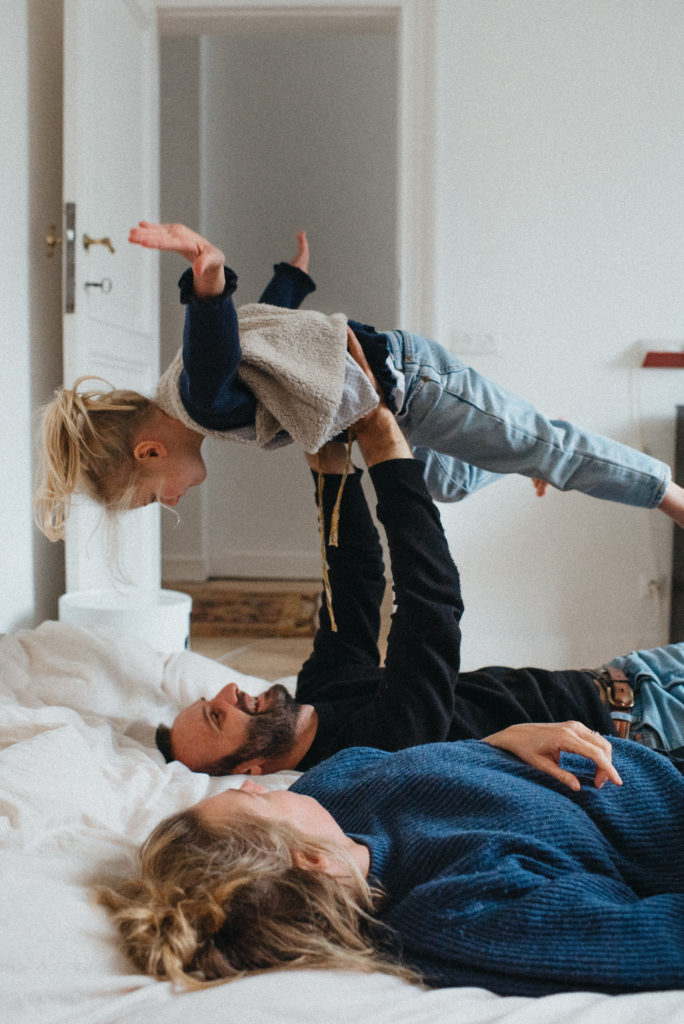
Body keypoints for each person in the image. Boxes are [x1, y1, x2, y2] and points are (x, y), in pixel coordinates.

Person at [155, 362, 684, 777]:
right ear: (252, 768)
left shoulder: (321, 692)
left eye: (211, 701)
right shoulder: (379, 750)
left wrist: (328, 465)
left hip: (630, 673)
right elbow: (430, 607)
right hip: (646, 729)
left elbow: (354, 581)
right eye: (218, 717)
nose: (228, 694)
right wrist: (385, 446)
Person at [34, 220, 684, 541]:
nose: (170, 504)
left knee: (543, 445)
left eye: (153, 499)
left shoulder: (198, 396)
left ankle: (665, 493)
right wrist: (290, 276)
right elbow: (267, 331)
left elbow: (217, 335)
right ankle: (525, 453)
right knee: (450, 482)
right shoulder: (195, 393)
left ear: (149, 452)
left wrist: (207, 274)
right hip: (394, 408)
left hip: (411, 382)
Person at [96, 725, 684, 997]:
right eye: (255, 799)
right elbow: (658, 939)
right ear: (309, 861)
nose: (254, 786)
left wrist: (500, 742)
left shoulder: (331, 794)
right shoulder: (458, 911)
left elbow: (439, 763)